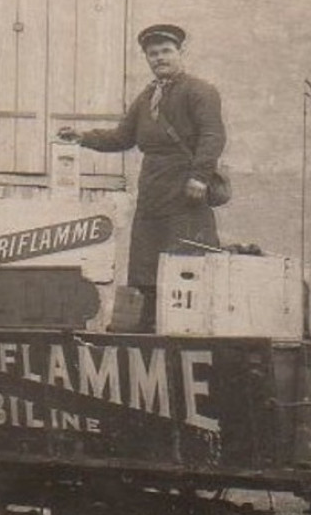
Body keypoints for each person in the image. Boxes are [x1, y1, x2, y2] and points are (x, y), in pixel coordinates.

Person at [58, 23, 226, 328]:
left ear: (180, 52)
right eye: (153, 54)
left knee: (187, 269)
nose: (160, 58)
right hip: (151, 197)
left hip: (186, 196)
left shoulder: (200, 91)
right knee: (144, 272)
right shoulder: (146, 97)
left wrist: (200, 177)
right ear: (147, 58)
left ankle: (186, 334)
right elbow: (122, 138)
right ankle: (143, 338)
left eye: (166, 51)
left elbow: (212, 136)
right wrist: (83, 137)